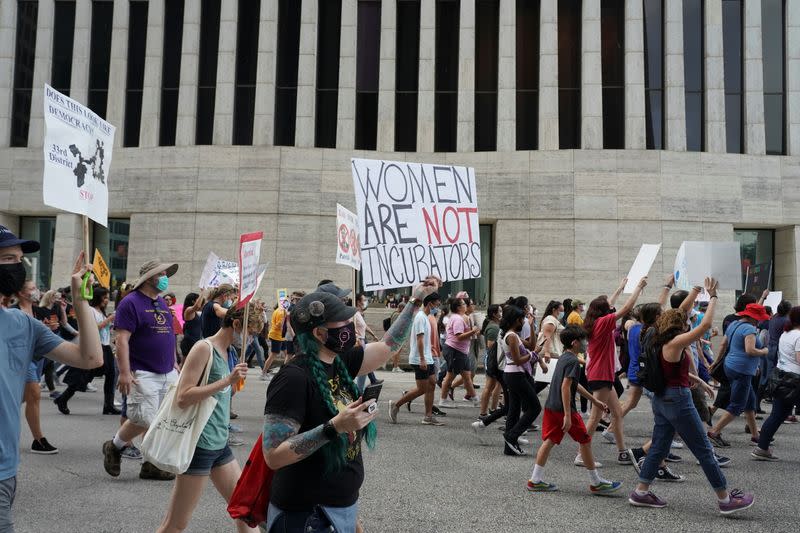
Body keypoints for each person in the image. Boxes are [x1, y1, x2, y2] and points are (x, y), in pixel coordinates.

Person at [262, 277, 440, 532]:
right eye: (343, 321)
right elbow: (273, 456)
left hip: (338, 510)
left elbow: (389, 345)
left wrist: (416, 299)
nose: (350, 325)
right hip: (307, 516)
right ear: (320, 333)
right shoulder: (292, 379)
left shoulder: (340, 361)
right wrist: (334, 427)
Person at [0, 227, 104, 532]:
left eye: (20, 259)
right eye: (8, 258)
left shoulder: (23, 324)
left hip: (3, 471)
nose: (17, 266)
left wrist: (80, 300)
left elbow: (90, 359)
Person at [628, 278, 755, 516]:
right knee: (704, 450)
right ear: (681, 325)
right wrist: (713, 297)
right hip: (678, 400)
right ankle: (725, 499)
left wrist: (696, 291)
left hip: (661, 399)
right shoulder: (675, 342)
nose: (689, 321)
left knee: (659, 447)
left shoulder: (654, 336)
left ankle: (641, 492)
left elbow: (679, 312)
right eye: (687, 321)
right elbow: (705, 325)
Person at [156, 303, 261, 533]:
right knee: (174, 525)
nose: (252, 339)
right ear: (236, 325)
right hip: (199, 445)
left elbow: (222, 394)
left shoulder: (231, 352)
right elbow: (183, 396)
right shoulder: (204, 348)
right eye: (251, 333)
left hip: (220, 443)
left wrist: (232, 384)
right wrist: (226, 381)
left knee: (245, 512)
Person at [102, 260, 180, 481]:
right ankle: (114, 446)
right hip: (142, 371)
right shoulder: (130, 303)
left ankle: (151, 464)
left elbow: (168, 335)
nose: (166, 278)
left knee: (162, 420)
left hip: (167, 371)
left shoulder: (162, 303)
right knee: (144, 418)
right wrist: (125, 372)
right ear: (150, 277)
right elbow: (122, 340)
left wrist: (174, 360)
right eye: (162, 274)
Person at [528, 325, 621, 494]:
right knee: (585, 440)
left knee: (549, 441)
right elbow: (566, 387)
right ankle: (596, 482)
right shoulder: (572, 361)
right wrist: (568, 415)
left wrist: (595, 400)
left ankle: (535, 479)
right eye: (583, 340)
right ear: (575, 342)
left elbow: (573, 385)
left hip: (551, 406)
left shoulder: (565, 357)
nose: (586, 343)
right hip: (564, 409)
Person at [707, 303, 770, 447]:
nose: (761, 320)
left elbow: (724, 344)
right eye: (759, 317)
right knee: (737, 405)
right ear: (754, 317)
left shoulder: (734, 324)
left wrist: (716, 361)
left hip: (731, 366)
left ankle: (755, 435)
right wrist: (764, 351)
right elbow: (750, 350)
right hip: (742, 370)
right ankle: (714, 432)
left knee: (749, 400)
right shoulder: (749, 329)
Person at [12, 279, 60, 455]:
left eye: (36, 288)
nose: (36, 291)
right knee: (34, 393)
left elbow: (47, 331)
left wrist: (51, 328)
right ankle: (39, 440)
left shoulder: (39, 311)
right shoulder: (13, 312)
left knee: (21, 398)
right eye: (32, 289)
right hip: (21, 359)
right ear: (22, 293)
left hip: (38, 358)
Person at [54, 286, 119, 415]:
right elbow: (94, 328)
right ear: (98, 297)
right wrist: (110, 319)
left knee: (112, 374)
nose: (107, 300)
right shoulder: (90, 310)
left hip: (105, 346)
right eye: (105, 297)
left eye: (107, 297)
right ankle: (63, 398)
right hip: (94, 347)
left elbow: (104, 328)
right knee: (83, 376)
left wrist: (111, 323)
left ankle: (109, 405)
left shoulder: (101, 312)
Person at [751, 306, 800, 460]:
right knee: (779, 415)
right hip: (795, 380)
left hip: (782, 376)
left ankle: (762, 447)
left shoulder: (787, 333)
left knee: (777, 415)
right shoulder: (799, 336)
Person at [388, 293, 443, 426]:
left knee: (431, 384)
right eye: (436, 304)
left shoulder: (427, 317)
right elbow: (419, 339)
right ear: (430, 303)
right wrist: (423, 359)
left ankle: (428, 416)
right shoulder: (420, 317)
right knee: (422, 388)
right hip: (420, 358)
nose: (438, 307)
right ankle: (396, 404)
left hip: (427, 357)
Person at [499, 305, 547, 456]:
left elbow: (531, 345)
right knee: (534, 407)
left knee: (514, 409)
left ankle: (509, 446)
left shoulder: (513, 334)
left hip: (514, 374)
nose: (523, 322)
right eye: (522, 320)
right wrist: (534, 355)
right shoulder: (512, 336)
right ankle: (512, 436)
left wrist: (532, 326)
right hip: (515, 374)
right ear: (516, 320)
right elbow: (519, 360)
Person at [438, 298, 479, 409]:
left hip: (460, 351)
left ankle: (475, 400)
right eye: (464, 304)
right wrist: (473, 331)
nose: (466, 305)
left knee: (467, 376)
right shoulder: (457, 319)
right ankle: (443, 400)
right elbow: (459, 336)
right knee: (450, 376)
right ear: (459, 307)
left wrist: (472, 331)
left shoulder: (458, 318)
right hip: (454, 350)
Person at [478, 304, 502, 418]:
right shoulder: (493, 327)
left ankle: (493, 409)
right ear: (494, 314)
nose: (502, 313)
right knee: (489, 386)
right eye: (500, 311)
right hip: (492, 359)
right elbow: (491, 345)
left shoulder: (495, 325)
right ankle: (483, 412)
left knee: (497, 385)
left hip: (494, 358)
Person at [354, 293, 381, 391]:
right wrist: (357, 339)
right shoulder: (354, 313)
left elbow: (364, 326)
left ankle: (359, 391)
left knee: (365, 366)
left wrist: (373, 335)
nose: (365, 301)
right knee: (364, 366)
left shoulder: (360, 313)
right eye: (364, 299)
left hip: (362, 342)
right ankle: (359, 391)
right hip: (359, 343)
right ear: (358, 301)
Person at [180, 293, 204, 362]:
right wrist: (203, 291)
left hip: (195, 341)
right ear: (193, 301)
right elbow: (197, 306)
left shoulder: (196, 312)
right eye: (198, 299)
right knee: (186, 364)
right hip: (189, 342)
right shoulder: (188, 310)